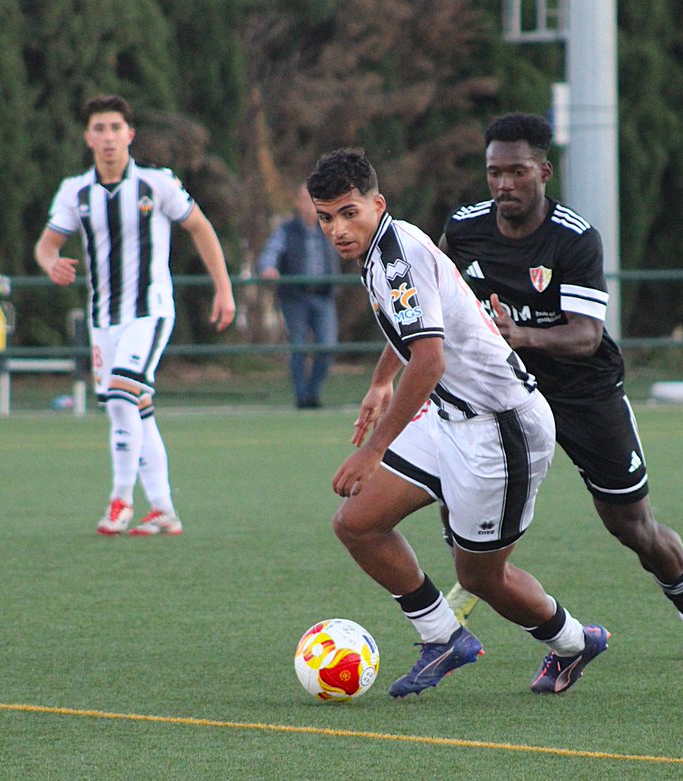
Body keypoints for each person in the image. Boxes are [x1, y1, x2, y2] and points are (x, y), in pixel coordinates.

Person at [307, 147, 609, 697]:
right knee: (356, 523)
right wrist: (380, 381)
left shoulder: (397, 256)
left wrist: (373, 450)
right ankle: (443, 637)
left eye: (349, 212)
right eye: (326, 217)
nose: (337, 229)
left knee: (480, 579)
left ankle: (572, 643)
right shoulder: (381, 251)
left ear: (377, 204)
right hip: (448, 418)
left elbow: (429, 359)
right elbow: (418, 330)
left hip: (502, 430)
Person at [438, 113, 683, 662]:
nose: (504, 185)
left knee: (631, 525)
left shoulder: (574, 239)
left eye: (517, 172)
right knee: (456, 485)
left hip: (582, 393)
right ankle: (476, 576)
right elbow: (429, 289)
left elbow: (587, 336)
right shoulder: (465, 227)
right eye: (494, 173)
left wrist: (515, 333)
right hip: (503, 393)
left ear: (543, 171)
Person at [35, 94, 236, 537]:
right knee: (131, 409)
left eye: (115, 128)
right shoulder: (76, 191)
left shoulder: (156, 184)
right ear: (88, 138)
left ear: (130, 135)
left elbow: (200, 226)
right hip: (103, 318)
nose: (107, 137)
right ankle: (164, 509)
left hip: (149, 311)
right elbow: (47, 244)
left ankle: (120, 499)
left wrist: (223, 288)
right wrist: (51, 262)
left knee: (124, 395)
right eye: (99, 129)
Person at [257, 182, 342, 408]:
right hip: (295, 296)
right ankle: (301, 396)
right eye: (306, 199)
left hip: (324, 295)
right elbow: (270, 253)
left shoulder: (330, 228)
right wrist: (268, 268)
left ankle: (312, 393)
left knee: (327, 345)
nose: (310, 205)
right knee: (299, 346)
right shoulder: (287, 230)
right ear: (297, 203)